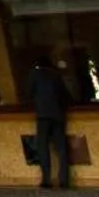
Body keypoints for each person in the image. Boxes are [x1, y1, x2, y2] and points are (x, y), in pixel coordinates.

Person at [29, 57, 71, 189]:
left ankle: (46, 179)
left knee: (43, 147)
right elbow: (64, 95)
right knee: (61, 148)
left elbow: (29, 93)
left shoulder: (34, 75)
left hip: (42, 115)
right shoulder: (56, 75)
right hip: (57, 115)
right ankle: (63, 179)